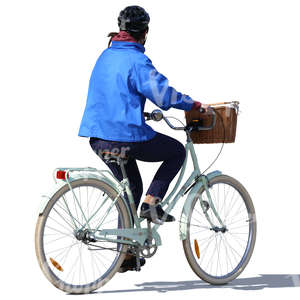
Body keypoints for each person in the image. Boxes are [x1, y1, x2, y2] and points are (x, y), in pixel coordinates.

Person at [78, 5, 209, 272]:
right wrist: (192, 104)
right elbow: (162, 95)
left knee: (131, 188)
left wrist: (139, 112)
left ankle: (124, 254)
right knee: (176, 152)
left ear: (121, 29)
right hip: (124, 137)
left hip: (98, 138)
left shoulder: (105, 55)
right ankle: (152, 204)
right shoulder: (136, 61)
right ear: (145, 33)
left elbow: (114, 94)